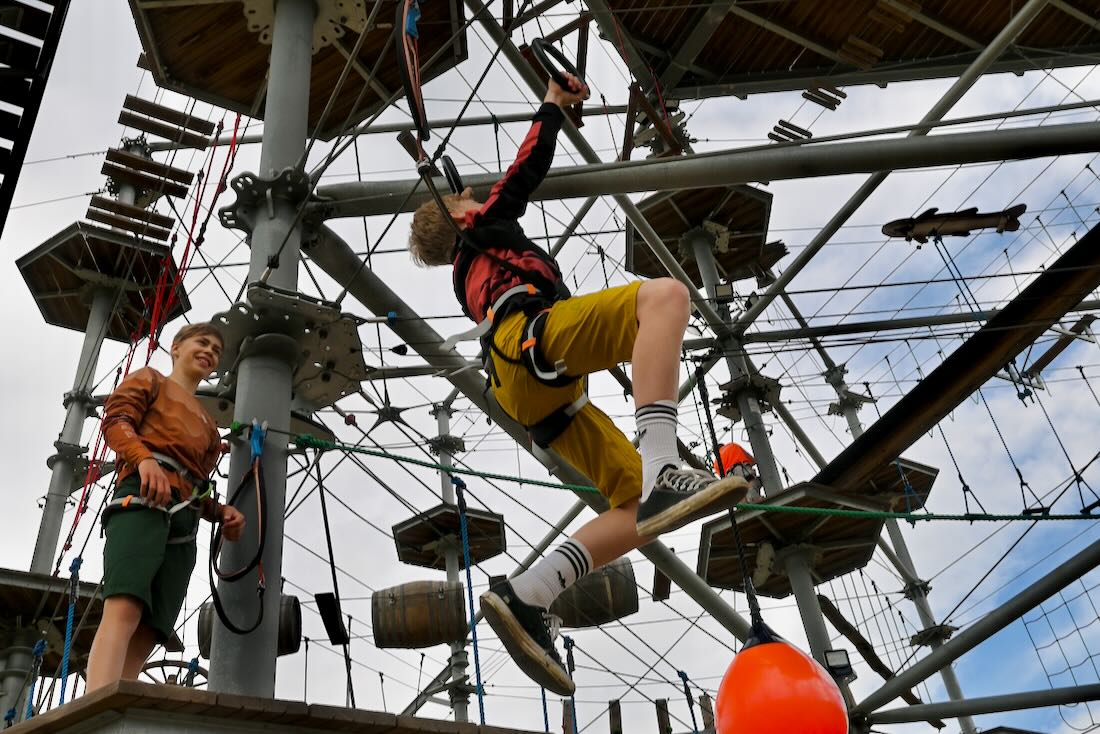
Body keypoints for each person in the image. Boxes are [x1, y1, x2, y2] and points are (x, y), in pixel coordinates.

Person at [407, 75, 748, 696]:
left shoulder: (468, 267)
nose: (478, 193)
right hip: (529, 341)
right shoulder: (482, 224)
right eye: (467, 196)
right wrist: (552, 104)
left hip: (529, 389)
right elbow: (525, 170)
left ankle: (531, 592)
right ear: (458, 214)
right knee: (666, 298)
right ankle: (664, 463)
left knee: (637, 505)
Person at [85, 323, 245, 692]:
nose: (209, 352)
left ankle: (120, 698)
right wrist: (143, 459)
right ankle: (97, 702)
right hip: (142, 496)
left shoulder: (209, 427)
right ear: (176, 348)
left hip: (185, 518)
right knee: (125, 605)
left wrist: (220, 512)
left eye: (216, 350)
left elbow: (197, 486)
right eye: (202, 343)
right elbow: (117, 421)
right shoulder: (150, 380)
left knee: (151, 626)